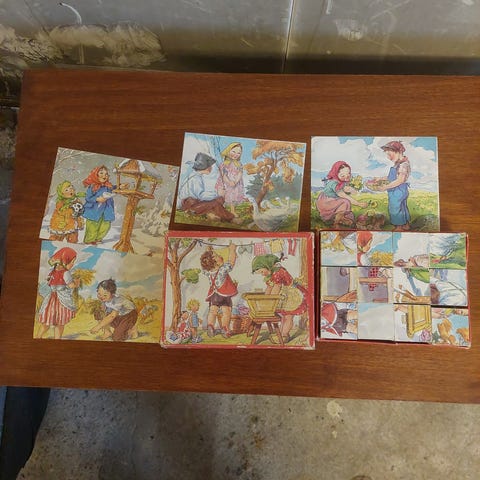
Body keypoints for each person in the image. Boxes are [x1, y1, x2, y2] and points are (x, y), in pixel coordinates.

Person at [252, 254, 307, 343]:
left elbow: (276, 288)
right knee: (284, 317)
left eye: (262, 271)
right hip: (284, 296)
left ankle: (284, 335)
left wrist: (270, 301)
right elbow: (269, 288)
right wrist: (265, 300)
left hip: (292, 296)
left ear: (267, 266)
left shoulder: (278, 272)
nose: (262, 274)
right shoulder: (271, 274)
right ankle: (281, 334)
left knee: (288, 316)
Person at [178, 152, 242, 224]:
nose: (211, 168)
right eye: (210, 166)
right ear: (206, 167)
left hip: (194, 203)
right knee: (215, 203)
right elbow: (201, 196)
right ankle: (231, 218)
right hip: (189, 205)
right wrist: (217, 193)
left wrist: (218, 195)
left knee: (219, 199)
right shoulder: (195, 179)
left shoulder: (195, 176)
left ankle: (211, 215)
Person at [37, 246, 79, 339]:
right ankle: (57, 339)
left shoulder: (53, 271)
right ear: (65, 261)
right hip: (61, 300)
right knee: (59, 323)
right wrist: (76, 283)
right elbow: (71, 285)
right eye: (72, 262)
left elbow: (49, 281)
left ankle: (38, 337)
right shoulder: (65, 273)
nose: (73, 264)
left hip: (51, 299)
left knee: (46, 322)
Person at [82, 165, 128, 244]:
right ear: (95, 175)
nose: (104, 175)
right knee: (93, 226)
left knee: (106, 225)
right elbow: (88, 197)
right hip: (94, 210)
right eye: (101, 173)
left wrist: (120, 186)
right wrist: (97, 199)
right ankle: (89, 240)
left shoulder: (108, 185)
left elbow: (113, 188)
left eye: (106, 174)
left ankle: (98, 238)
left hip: (106, 210)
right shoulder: (92, 186)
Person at [200, 242, 238, 338]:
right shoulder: (222, 269)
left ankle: (210, 326)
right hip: (224, 295)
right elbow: (231, 261)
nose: (220, 255)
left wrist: (208, 251)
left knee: (213, 311)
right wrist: (232, 250)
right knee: (227, 311)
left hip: (214, 295)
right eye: (217, 256)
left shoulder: (208, 272)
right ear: (216, 263)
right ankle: (225, 328)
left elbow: (205, 265)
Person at [315, 161, 367, 228]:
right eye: (343, 175)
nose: (346, 176)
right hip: (326, 203)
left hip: (332, 201)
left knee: (350, 216)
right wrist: (358, 203)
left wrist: (352, 190)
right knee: (346, 202)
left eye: (348, 173)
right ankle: (336, 222)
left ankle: (341, 218)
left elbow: (345, 188)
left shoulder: (339, 181)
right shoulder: (333, 183)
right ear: (336, 174)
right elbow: (343, 195)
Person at [375, 140, 411, 231]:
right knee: (402, 207)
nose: (388, 158)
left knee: (395, 208)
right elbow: (391, 177)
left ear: (398, 152)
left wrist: (385, 187)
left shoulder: (403, 165)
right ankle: (406, 225)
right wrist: (380, 179)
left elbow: (400, 180)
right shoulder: (398, 164)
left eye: (390, 155)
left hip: (397, 190)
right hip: (399, 190)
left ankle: (399, 227)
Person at [215, 142, 245, 216]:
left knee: (233, 196)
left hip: (235, 183)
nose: (236, 154)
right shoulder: (224, 164)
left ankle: (232, 210)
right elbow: (223, 175)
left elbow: (240, 173)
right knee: (223, 195)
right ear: (228, 151)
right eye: (233, 151)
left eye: (238, 153)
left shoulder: (239, 164)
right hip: (225, 183)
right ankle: (221, 209)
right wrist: (228, 181)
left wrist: (235, 181)